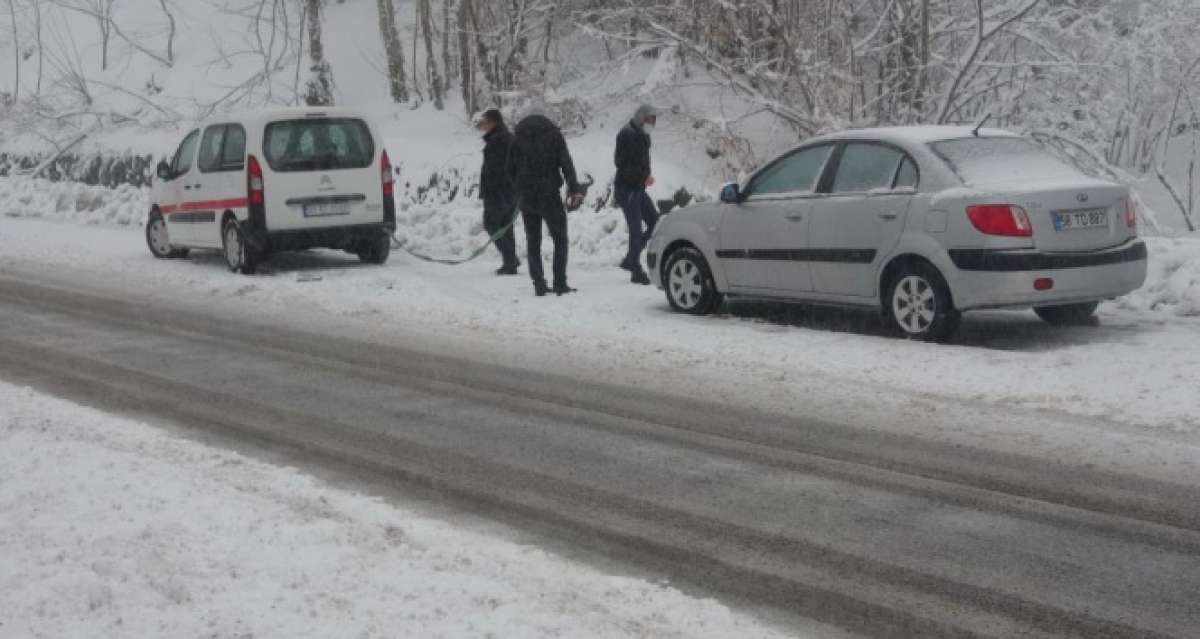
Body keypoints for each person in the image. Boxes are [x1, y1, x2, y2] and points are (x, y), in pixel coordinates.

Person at [508, 111, 585, 297]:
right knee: (560, 238)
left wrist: (518, 189)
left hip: (527, 197)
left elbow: (510, 168)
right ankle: (559, 282)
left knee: (533, 240)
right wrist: (573, 188)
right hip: (549, 195)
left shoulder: (517, 138)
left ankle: (539, 284)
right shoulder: (553, 136)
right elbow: (566, 163)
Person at [613, 104, 660, 285]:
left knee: (654, 221)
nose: (653, 123)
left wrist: (644, 177)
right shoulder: (627, 134)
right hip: (627, 189)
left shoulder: (642, 134)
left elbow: (642, 160)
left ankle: (630, 259)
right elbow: (621, 163)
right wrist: (643, 177)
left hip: (638, 188)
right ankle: (635, 269)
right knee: (635, 229)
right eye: (650, 119)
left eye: (654, 120)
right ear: (641, 117)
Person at [475, 108, 520, 275]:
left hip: (497, 192)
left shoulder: (496, 141)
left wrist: (490, 191)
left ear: (493, 122)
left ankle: (510, 260)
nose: (483, 125)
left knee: (491, 224)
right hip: (511, 191)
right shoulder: (508, 137)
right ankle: (511, 261)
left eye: (485, 121)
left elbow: (494, 170)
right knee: (506, 226)